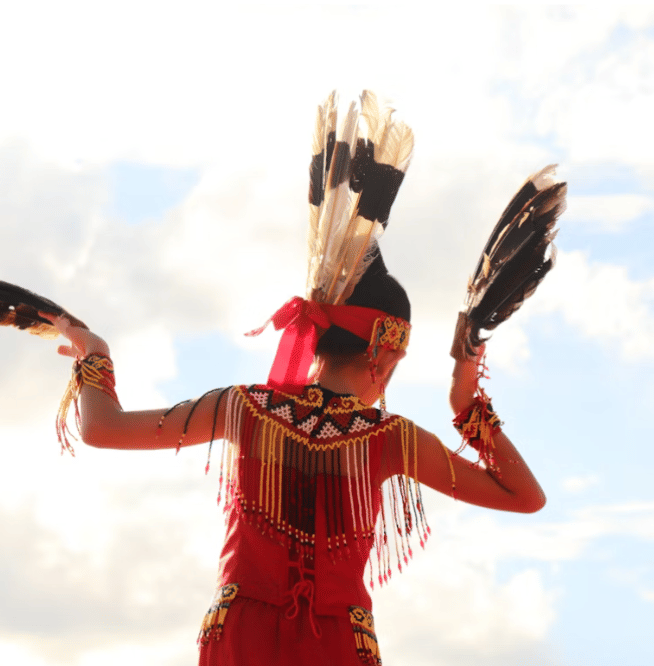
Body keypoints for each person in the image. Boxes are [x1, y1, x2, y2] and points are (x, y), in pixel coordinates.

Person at [42, 91, 547, 665]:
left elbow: (101, 428)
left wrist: (95, 359)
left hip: (240, 641)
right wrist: (465, 405)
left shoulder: (241, 409)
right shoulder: (391, 440)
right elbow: (525, 497)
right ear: (382, 356)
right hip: (337, 645)